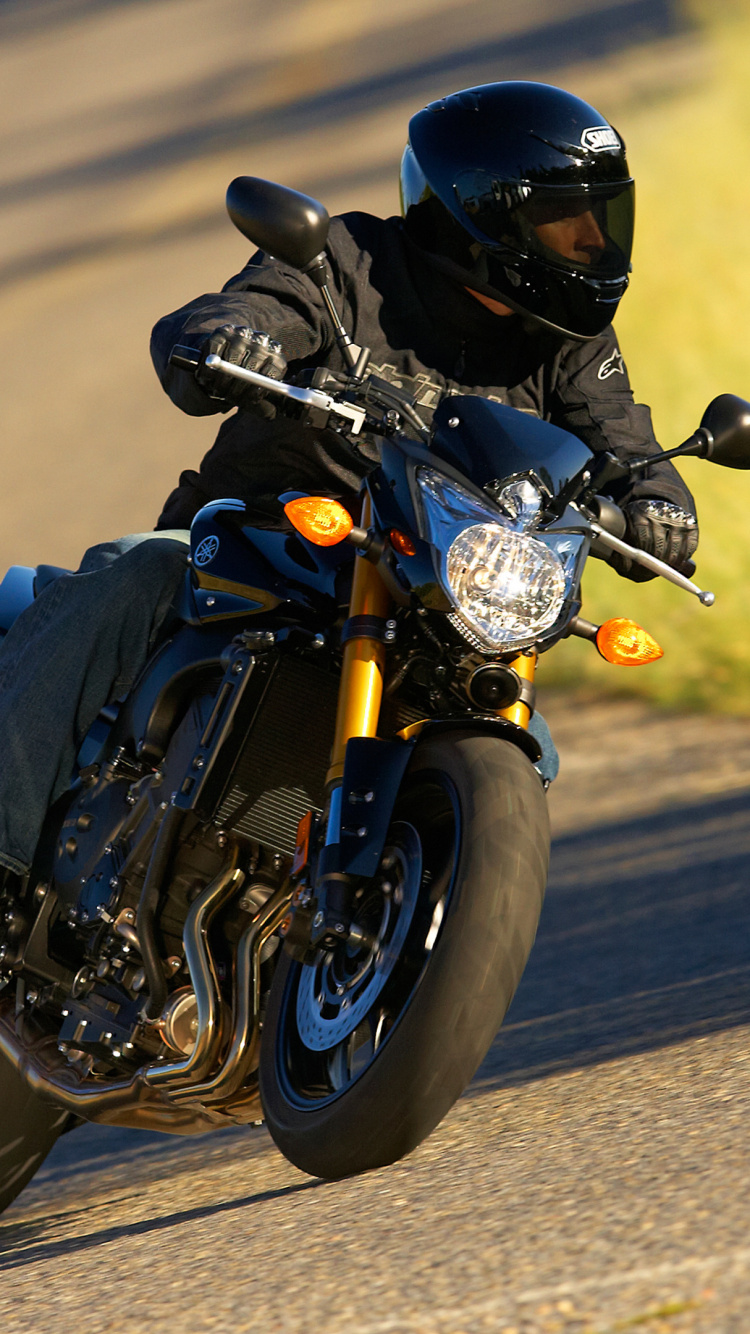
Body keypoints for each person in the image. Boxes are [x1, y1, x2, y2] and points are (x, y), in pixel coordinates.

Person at [0, 80, 698, 877]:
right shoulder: (346, 262)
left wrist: (659, 504)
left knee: (525, 750)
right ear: (485, 215)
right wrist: (228, 337)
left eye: (601, 216)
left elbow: (622, 438)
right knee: (134, 571)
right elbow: (260, 306)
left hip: (430, 593)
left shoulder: (569, 339)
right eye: (563, 217)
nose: (589, 239)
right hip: (259, 542)